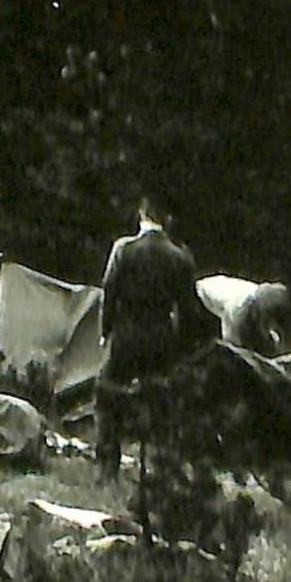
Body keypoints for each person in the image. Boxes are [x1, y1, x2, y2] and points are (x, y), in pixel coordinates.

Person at [95, 196, 208, 476]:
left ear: (141, 215)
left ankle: (108, 466)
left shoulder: (124, 249)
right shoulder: (179, 256)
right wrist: (180, 344)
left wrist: (105, 330)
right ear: (166, 220)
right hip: (161, 335)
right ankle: (161, 467)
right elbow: (188, 307)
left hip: (127, 332)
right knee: (162, 401)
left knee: (106, 393)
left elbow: (110, 291)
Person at [197, 276, 290, 356]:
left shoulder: (264, 297)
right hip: (201, 300)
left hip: (229, 307)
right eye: (267, 320)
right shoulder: (238, 308)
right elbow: (231, 347)